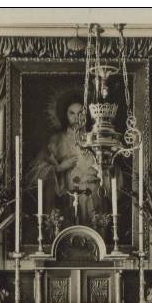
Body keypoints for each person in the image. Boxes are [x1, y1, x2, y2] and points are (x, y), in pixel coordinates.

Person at [28, 94, 104, 227]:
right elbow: (38, 170)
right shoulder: (56, 140)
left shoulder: (95, 139)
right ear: (66, 115)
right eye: (72, 113)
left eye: (81, 113)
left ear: (86, 115)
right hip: (68, 198)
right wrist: (60, 168)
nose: (76, 118)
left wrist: (101, 172)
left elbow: (109, 169)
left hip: (93, 197)